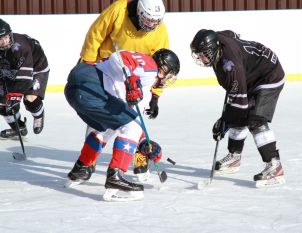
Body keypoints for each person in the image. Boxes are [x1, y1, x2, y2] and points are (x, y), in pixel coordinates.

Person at [64, 48, 180, 201]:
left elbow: (131, 120)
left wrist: (145, 143)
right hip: (90, 84)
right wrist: (131, 81)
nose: (166, 81)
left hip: (80, 90)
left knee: (110, 125)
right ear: (163, 69)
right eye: (169, 75)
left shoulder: (145, 88)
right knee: (130, 126)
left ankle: (81, 168)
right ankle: (116, 177)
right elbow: (118, 57)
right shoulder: (150, 66)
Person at [79, 0, 169, 180]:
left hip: (136, 77)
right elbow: (96, 33)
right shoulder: (119, 10)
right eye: (148, 19)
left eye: (155, 21)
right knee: (100, 118)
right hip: (107, 69)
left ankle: (140, 157)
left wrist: (155, 95)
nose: (151, 24)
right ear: (138, 11)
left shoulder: (160, 32)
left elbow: (162, 66)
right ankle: (88, 162)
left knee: (135, 118)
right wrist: (87, 61)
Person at [190, 29, 285, 188]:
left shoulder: (231, 67)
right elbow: (232, 34)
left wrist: (225, 122)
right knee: (238, 113)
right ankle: (234, 157)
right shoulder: (218, 38)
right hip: (251, 74)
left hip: (269, 75)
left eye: (204, 54)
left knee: (255, 120)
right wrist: (228, 118)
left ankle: (275, 166)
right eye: (198, 54)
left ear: (215, 49)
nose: (201, 58)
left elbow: (239, 105)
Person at [0, 19, 49, 139]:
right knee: (2, 104)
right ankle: (19, 128)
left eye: (6, 37)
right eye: (0, 39)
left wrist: (14, 95)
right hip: (11, 69)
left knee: (29, 98)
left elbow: (25, 79)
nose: (5, 41)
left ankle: (38, 115)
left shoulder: (21, 47)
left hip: (36, 68)